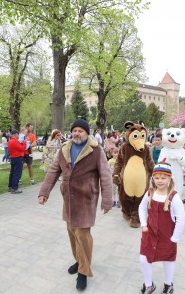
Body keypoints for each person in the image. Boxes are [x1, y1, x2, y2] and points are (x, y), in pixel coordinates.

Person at [38, 118, 112, 291]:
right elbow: (53, 171)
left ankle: (83, 272)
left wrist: (107, 200)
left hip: (87, 199)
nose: (77, 133)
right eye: (75, 130)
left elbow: (106, 176)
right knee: (72, 232)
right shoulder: (64, 149)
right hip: (69, 199)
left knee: (83, 234)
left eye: (81, 131)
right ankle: (79, 261)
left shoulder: (96, 150)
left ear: (87, 133)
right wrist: (44, 193)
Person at [138, 163, 185, 294]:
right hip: (150, 234)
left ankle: (168, 284)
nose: (160, 181)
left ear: (170, 178)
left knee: (168, 259)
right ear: (153, 178)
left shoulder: (174, 197)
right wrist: (143, 224)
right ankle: (148, 284)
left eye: (163, 177)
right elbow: (142, 208)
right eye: (157, 177)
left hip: (167, 236)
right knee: (144, 259)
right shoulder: (150, 193)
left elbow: (181, 218)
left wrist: (175, 237)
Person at [7, 129, 27, 194]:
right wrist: (24, 142)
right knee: (17, 173)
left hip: (13, 157)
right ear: (15, 134)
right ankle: (14, 188)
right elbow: (22, 148)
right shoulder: (14, 141)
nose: (18, 135)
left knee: (12, 173)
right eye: (18, 134)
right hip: (17, 158)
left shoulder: (10, 141)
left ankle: (10, 186)